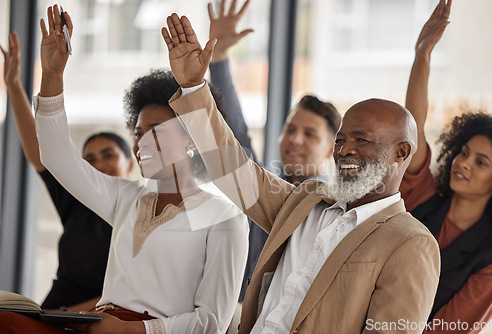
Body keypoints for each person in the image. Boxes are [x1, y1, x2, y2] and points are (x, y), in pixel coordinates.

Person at [162, 13, 440, 333]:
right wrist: (193, 87)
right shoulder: (307, 202)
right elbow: (232, 170)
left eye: (361, 140)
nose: (345, 150)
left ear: (401, 152)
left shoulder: (411, 242)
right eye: (340, 139)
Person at [0, 5, 248, 334]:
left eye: (156, 131)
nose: (141, 142)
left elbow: (211, 322)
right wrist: (52, 77)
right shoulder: (127, 197)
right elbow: (58, 158)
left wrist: (136, 331)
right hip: (96, 324)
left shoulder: (224, 215)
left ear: (192, 140)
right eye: (138, 132)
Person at [207, 0, 342, 303]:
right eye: (290, 130)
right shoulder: (262, 184)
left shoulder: (333, 208)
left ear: (331, 149)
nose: (294, 140)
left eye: (309, 134)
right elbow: (237, 135)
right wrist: (219, 58)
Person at [1, 31, 135, 312]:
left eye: (108, 155)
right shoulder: (78, 203)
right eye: (89, 159)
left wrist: (73, 315)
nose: (98, 164)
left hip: (95, 319)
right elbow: (40, 153)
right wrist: (13, 85)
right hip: (51, 313)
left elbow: (135, 291)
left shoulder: (142, 211)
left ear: (131, 162)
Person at [402, 0, 492, 332]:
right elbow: (412, 128)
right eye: (464, 152)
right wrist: (422, 54)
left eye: (481, 162)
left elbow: (450, 329)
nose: (464, 162)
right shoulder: (423, 196)